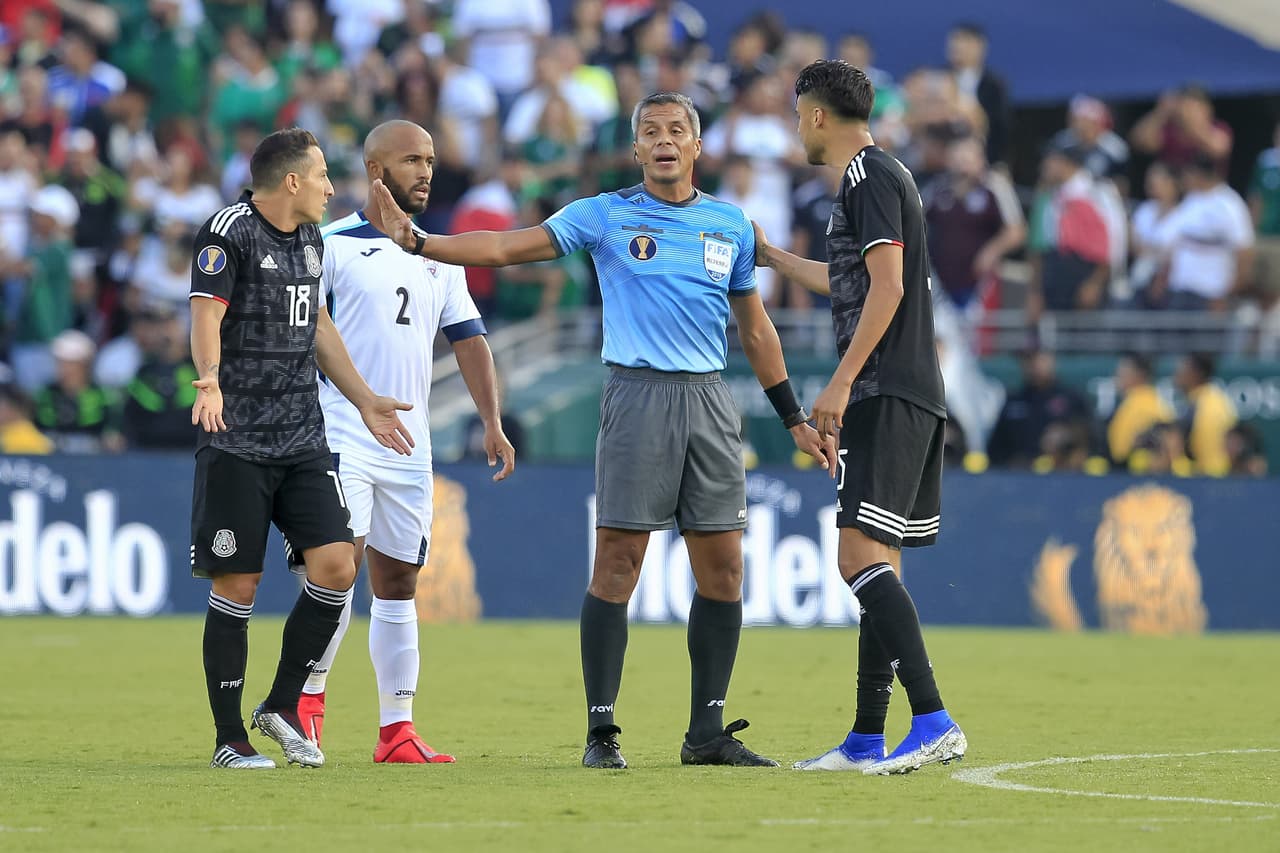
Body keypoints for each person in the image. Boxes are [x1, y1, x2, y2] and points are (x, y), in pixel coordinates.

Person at [371, 91, 833, 770]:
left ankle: (705, 732)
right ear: (638, 148)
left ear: (698, 147)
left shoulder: (731, 225)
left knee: (725, 569)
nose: (665, 139)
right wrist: (420, 241)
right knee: (619, 562)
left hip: (710, 400)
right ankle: (601, 730)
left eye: (678, 129)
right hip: (636, 393)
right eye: (652, 131)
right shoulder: (605, 214)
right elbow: (505, 246)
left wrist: (793, 414)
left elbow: (757, 329)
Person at [752, 60, 966, 775]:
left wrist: (840, 383)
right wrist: (773, 256)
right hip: (907, 387)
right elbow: (851, 276)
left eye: (796, 115)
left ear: (814, 115)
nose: (796, 129)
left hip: (884, 389)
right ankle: (866, 739)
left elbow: (888, 286)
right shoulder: (885, 176)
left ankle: (933, 717)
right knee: (879, 561)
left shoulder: (864, 178)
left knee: (854, 558)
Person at [188, 127, 415, 771]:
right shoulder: (228, 232)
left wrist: (366, 398)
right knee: (241, 582)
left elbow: (315, 322)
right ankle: (229, 739)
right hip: (237, 438)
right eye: (321, 175)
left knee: (338, 566)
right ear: (291, 181)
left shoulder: (312, 239)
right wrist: (208, 379)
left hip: (302, 437)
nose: (329, 186)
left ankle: (283, 704)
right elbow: (206, 311)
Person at [293, 120, 516, 765]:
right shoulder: (329, 245)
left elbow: (469, 338)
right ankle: (307, 706)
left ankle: (397, 731)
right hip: (341, 433)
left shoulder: (437, 252)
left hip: (410, 445)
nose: (426, 171)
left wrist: (492, 421)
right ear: (375, 167)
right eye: (412, 160)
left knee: (398, 583)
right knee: (336, 569)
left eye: (431, 160)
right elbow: (308, 331)